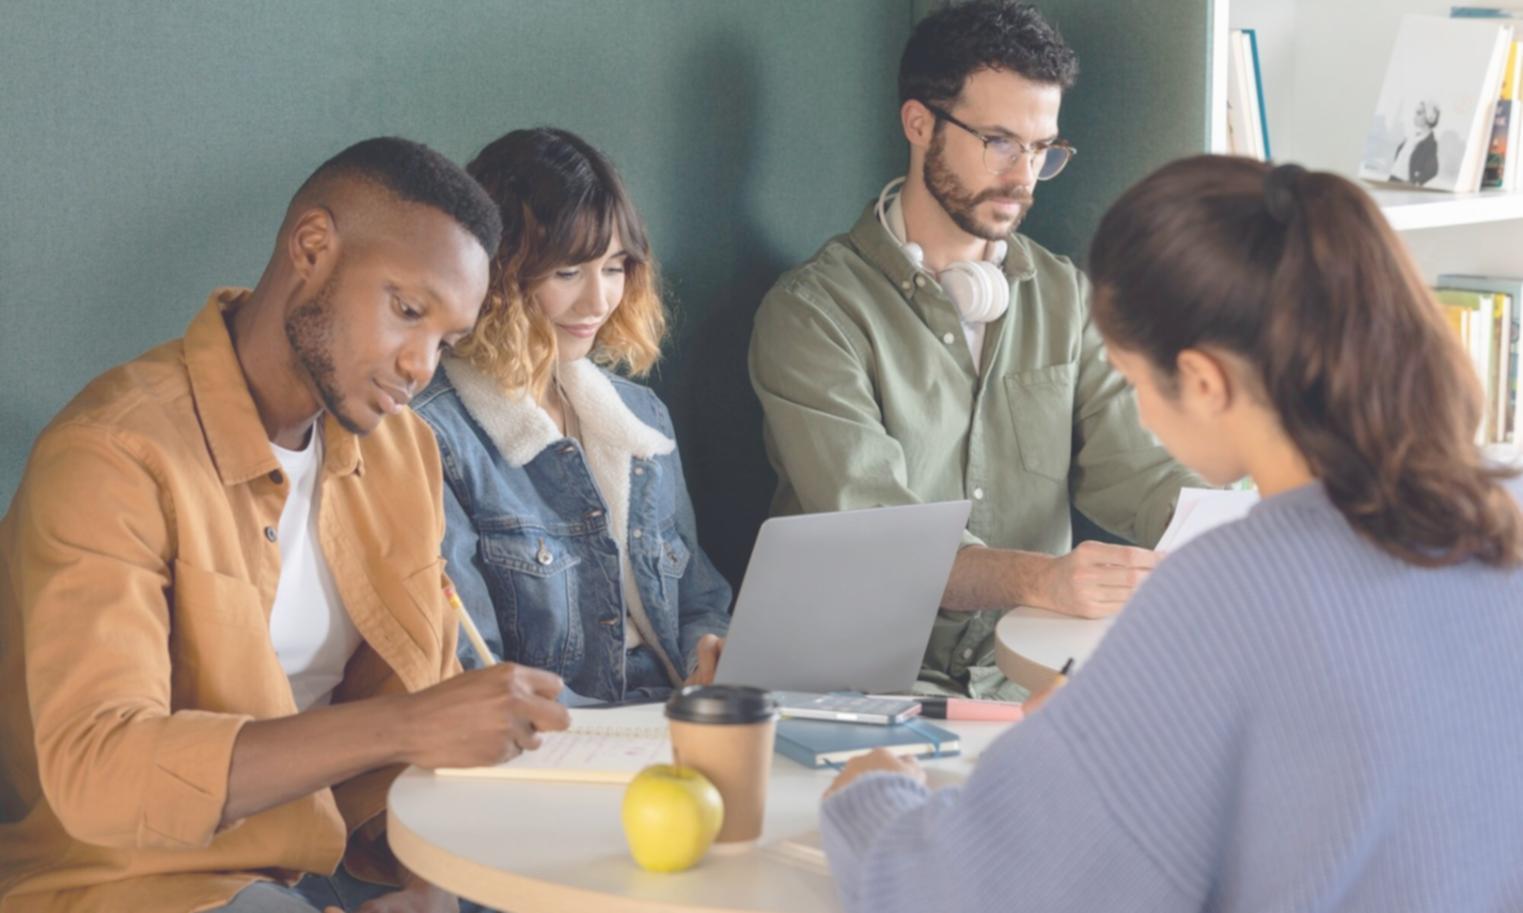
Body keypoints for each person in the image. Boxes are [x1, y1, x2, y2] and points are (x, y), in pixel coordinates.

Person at [818, 156, 1523, 912]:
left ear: (1204, 380)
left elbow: (974, 890)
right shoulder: (1495, 523)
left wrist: (868, 799)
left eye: (1135, 382)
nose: (1142, 414)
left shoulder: (1226, 592)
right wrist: (1103, 729)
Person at [0, 137, 573, 913]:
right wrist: (402, 725)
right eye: (407, 310)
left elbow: (414, 724)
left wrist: (429, 886)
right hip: (142, 881)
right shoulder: (114, 454)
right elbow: (99, 771)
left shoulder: (402, 450)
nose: (420, 366)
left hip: (340, 858)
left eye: (445, 339)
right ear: (312, 248)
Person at [749, 0, 1198, 698]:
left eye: (1041, 148)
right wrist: (1041, 578)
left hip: (1020, 675)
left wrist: (1241, 523)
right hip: (857, 685)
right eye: (998, 141)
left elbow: (1135, 467)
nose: (1023, 177)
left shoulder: (1062, 296)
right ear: (918, 122)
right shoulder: (813, 313)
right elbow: (880, 533)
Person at [412, 127, 731, 705]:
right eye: (567, 273)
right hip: (563, 742)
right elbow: (470, 664)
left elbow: (698, 599)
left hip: (676, 717)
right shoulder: (434, 432)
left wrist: (708, 656)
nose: (599, 301)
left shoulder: (641, 417)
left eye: (614, 268)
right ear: (497, 272)